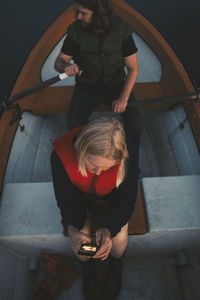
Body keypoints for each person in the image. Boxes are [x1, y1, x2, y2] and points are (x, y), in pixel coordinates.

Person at [51, 116, 139, 300]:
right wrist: (73, 229)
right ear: (82, 148)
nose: (98, 172)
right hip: (80, 198)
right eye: (93, 164)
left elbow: (126, 199)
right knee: (81, 242)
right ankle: (88, 267)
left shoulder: (128, 154)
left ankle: (116, 266)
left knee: (120, 236)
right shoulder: (60, 156)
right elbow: (66, 199)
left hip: (113, 198)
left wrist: (108, 229)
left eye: (105, 168)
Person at [54, 0, 141, 141]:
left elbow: (133, 69)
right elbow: (58, 62)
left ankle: (131, 163)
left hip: (116, 85)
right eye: (77, 12)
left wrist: (123, 99)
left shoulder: (122, 30)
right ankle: (90, 149)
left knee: (135, 122)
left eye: (83, 13)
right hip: (87, 86)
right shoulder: (75, 30)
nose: (78, 17)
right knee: (73, 123)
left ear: (99, 15)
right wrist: (66, 67)